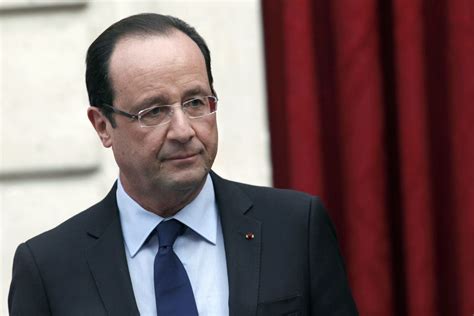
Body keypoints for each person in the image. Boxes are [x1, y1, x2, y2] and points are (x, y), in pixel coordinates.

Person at [8, 13, 358, 316]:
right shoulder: (49, 268)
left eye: (195, 102)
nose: (183, 130)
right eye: (154, 111)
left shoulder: (296, 228)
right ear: (103, 126)